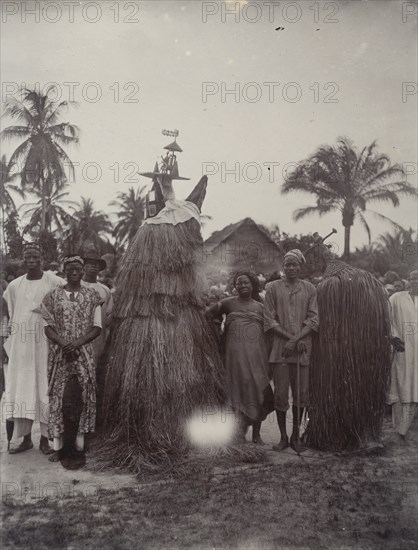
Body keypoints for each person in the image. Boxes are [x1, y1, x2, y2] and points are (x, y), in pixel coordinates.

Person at [3, 243, 64, 454]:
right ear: (23, 258)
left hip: (45, 346)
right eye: (28, 256)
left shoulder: (54, 281)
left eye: (35, 256)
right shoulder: (14, 286)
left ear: (41, 258)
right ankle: (26, 439)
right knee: (23, 391)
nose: (31, 260)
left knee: (44, 389)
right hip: (21, 348)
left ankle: (45, 440)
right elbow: (8, 314)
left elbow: (70, 295)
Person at [41, 256, 102, 463]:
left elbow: (96, 327)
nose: (74, 272)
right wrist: (62, 343)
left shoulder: (92, 296)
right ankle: (58, 447)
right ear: (64, 271)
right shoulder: (52, 296)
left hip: (83, 355)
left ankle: (78, 446)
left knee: (83, 397)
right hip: (60, 355)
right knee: (58, 397)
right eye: (70, 269)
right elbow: (48, 328)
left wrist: (77, 343)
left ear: (83, 271)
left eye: (77, 269)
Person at [206, 271, 273, 444]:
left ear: (253, 285)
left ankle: (256, 434)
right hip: (233, 357)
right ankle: (239, 434)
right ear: (234, 286)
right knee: (236, 391)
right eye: (239, 283)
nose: (242, 286)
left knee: (258, 390)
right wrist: (216, 330)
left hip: (257, 356)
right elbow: (208, 313)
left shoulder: (261, 307)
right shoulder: (228, 303)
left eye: (246, 283)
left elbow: (271, 331)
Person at [264, 249, 318, 453]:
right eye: (287, 264)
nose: (291, 268)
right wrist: (290, 340)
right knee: (280, 395)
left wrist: (297, 339)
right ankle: (283, 437)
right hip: (281, 351)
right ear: (283, 267)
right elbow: (269, 319)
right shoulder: (272, 288)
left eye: (295, 264)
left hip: (303, 349)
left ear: (300, 266)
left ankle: (296, 436)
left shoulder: (310, 288)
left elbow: (314, 319)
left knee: (301, 394)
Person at [387, 270, 418, 441]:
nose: (415, 281)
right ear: (408, 280)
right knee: (400, 384)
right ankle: (399, 426)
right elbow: (387, 317)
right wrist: (393, 337)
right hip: (403, 350)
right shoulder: (397, 298)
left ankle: (404, 428)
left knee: (414, 388)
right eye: (413, 278)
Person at [81, 245, 113, 361]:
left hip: (98, 340)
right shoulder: (73, 286)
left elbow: (109, 317)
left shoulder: (105, 290)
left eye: (96, 263)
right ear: (83, 266)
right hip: (77, 339)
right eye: (89, 263)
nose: (93, 266)